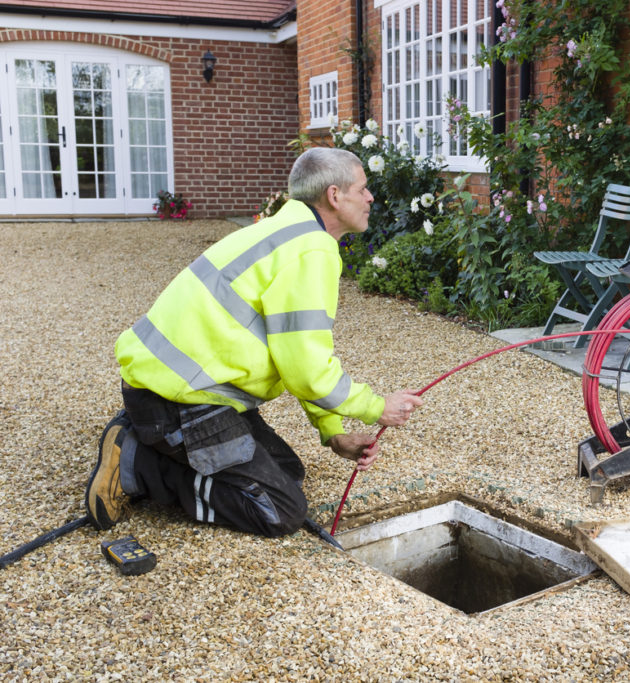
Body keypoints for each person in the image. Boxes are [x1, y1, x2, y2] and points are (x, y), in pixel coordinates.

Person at [85, 148, 423, 537]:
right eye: (363, 189)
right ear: (334, 196)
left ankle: (144, 436)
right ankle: (139, 461)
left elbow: (294, 355)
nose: (370, 198)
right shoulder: (311, 250)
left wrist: (333, 431)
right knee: (278, 510)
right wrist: (377, 408)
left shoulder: (284, 233)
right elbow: (308, 371)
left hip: (178, 389)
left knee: (288, 473)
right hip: (178, 401)